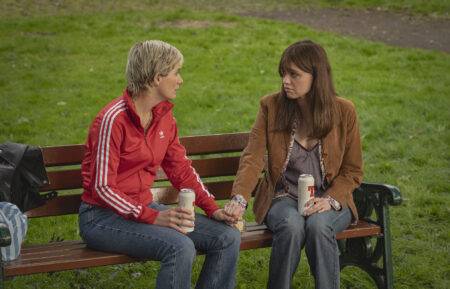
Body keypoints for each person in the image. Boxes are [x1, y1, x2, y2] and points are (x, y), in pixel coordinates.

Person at [78, 40, 242, 289]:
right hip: (101, 218)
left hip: (142, 209)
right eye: (176, 72)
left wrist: (212, 209)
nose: (180, 80)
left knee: (227, 236)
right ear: (156, 77)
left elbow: (181, 170)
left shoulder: (164, 118)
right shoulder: (112, 120)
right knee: (179, 246)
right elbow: (103, 188)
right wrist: (152, 216)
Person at [227, 40, 364, 289]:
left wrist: (330, 199)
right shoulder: (271, 106)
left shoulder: (344, 112)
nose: (285, 81)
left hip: (329, 198)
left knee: (319, 225)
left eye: (294, 74)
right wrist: (239, 198)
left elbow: (353, 170)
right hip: (283, 197)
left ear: (316, 77)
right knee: (291, 225)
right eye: (283, 74)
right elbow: (253, 157)